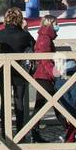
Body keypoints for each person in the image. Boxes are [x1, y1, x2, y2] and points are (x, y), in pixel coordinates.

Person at [0, 6, 36, 131]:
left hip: (3, 72)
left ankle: (5, 132)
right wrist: (26, 30)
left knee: (5, 102)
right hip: (20, 71)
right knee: (19, 101)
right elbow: (33, 46)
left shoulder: (0, 34)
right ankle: (20, 131)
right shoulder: (24, 35)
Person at [30, 15, 63, 143]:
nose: (57, 26)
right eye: (56, 24)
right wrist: (54, 73)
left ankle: (35, 133)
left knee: (42, 105)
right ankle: (71, 129)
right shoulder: (45, 38)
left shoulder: (45, 37)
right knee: (56, 103)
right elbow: (45, 58)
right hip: (44, 75)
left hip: (42, 75)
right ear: (51, 24)